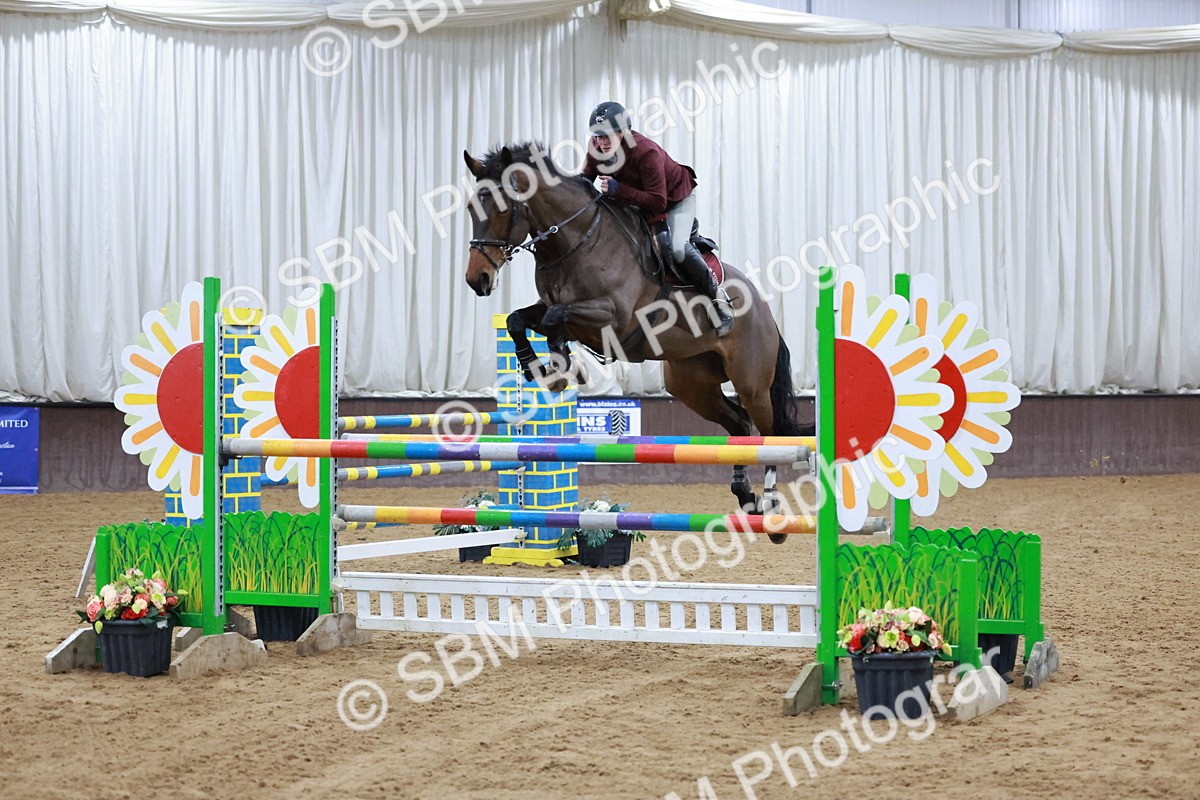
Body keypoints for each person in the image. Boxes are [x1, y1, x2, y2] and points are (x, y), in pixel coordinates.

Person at [581, 101, 733, 337]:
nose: (601, 143)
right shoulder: (596, 147)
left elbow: (657, 201)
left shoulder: (645, 152)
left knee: (677, 249)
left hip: (674, 200)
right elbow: (585, 181)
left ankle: (718, 298)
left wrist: (618, 189)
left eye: (607, 136)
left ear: (624, 132)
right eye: (598, 136)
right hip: (635, 199)